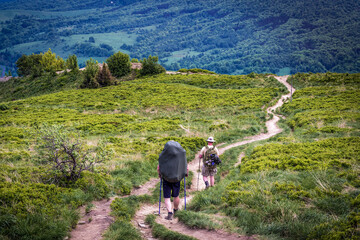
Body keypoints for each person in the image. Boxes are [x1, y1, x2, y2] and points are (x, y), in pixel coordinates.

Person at [157, 141, 188, 220]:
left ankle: (169, 213)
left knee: (167, 197)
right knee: (176, 195)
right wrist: (185, 173)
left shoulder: (163, 156)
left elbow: (159, 167)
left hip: (166, 179)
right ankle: (176, 210)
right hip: (177, 179)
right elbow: (186, 167)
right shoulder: (181, 155)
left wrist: (160, 174)